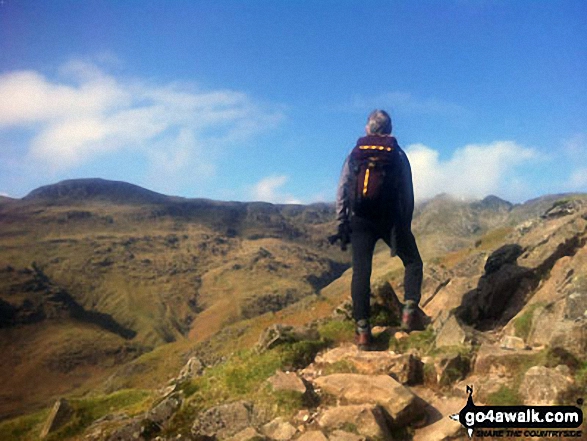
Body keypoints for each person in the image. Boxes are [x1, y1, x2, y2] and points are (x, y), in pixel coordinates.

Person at [332, 109, 423, 349]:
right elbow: (407, 190)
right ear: (389, 129)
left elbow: (342, 188)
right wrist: (404, 223)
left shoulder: (356, 153)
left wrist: (342, 221)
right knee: (413, 262)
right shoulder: (397, 154)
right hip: (391, 219)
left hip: (360, 220)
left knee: (361, 273)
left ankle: (363, 332)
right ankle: (409, 314)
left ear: (368, 128)